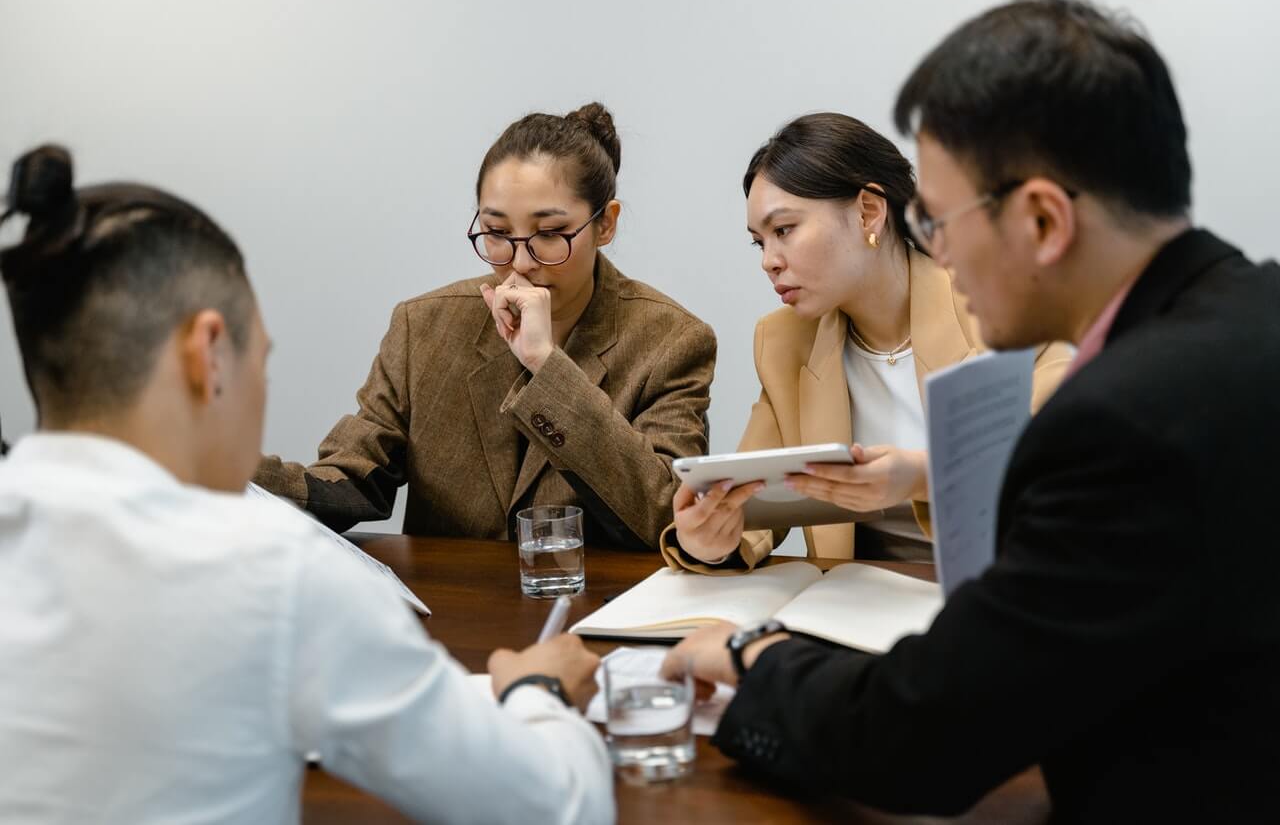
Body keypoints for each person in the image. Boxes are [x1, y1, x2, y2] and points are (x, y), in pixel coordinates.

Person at [663, 0, 1280, 823]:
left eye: (940, 220)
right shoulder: (1253, 315)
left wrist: (754, 658)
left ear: (1040, 219)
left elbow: (926, 738)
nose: (937, 249)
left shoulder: (1119, 422)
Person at [0, 146, 613, 824]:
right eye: (262, 359)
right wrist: (535, 691)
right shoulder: (274, 571)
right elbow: (558, 804)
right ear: (209, 354)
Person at [254, 103, 715, 548]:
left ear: (606, 224)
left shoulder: (671, 341)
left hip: (593, 609)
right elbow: (353, 480)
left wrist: (546, 366)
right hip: (453, 611)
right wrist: (225, 471)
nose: (519, 262)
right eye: (496, 233)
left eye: (550, 234)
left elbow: (665, 513)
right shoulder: (425, 326)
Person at [661, 113, 1070, 571]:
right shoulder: (784, 343)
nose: (769, 262)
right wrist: (709, 541)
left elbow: (1060, 474)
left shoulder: (1011, 307)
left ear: (869, 211)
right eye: (759, 242)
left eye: (784, 230)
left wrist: (922, 477)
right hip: (861, 612)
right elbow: (752, 505)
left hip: (1013, 594)